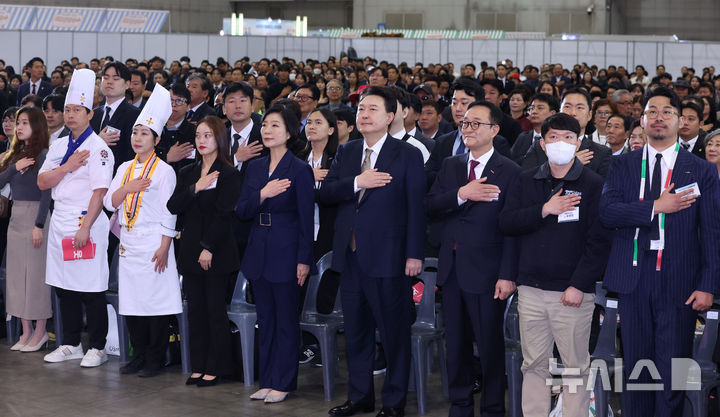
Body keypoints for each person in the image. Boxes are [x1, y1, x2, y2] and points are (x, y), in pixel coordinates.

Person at [600, 86, 720, 417]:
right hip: (633, 279)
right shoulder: (623, 165)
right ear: (642, 118)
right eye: (652, 111)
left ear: (680, 121)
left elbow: (712, 232)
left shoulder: (700, 170)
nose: (659, 118)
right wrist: (656, 206)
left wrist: (708, 284)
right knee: (638, 369)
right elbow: (608, 212)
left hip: (680, 282)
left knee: (672, 372)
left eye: (667, 112)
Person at [321, 86, 426, 417]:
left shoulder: (406, 154)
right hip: (350, 258)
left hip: (390, 257)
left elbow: (415, 208)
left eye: (372, 110)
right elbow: (325, 194)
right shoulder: (348, 151)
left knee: (394, 335)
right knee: (356, 333)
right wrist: (357, 182)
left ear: (390, 117)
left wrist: (414, 255)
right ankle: (360, 396)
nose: (363, 115)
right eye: (361, 109)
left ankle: (394, 403)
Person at [499, 113, 613, 417]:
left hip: (572, 292)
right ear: (542, 141)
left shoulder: (592, 184)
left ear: (577, 142)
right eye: (553, 137)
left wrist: (579, 285)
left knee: (575, 367)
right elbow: (507, 223)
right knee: (534, 364)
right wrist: (545, 209)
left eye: (567, 137)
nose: (559, 143)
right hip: (532, 290)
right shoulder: (526, 180)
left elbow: (599, 242)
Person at [426, 101, 519, 417]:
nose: (468, 128)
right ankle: (461, 404)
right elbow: (432, 204)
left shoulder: (510, 171)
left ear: (494, 130)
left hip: (488, 273)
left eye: (476, 123)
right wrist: (461, 194)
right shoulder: (452, 165)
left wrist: (507, 274)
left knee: (490, 346)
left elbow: (512, 229)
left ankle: (493, 407)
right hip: (452, 270)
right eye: (464, 123)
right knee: (457, 345)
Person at [236, 104, 314, 403]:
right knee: (265, 320)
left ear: (290, 133)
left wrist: (303, 259)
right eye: (265, 125)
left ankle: (283, 382)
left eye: (275, 126)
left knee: (285, 321)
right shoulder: (254, 167)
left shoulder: (300, 169)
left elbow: (307, 220)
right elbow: (242, 210)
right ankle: (267, 380)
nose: (267, 131)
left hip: (288, 250)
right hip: (259, 248)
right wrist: (263, 194)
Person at [103, 85, 181, 378]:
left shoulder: (164, 171)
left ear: (157, 139)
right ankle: (138, 355)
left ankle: (155, 358)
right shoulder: (124, 167)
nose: (137, 138)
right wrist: (127, 188)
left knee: (156, 304)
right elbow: (109, 203)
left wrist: (164, 247)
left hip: (154, 242)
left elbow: (168, 211)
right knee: (133, 303)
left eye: (144, 134)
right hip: (129, 242)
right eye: (135, 133)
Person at [38, 69, 115, 367]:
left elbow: (99, 191)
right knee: (64, 285)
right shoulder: (59, 145)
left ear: (89, 113)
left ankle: (97, 345)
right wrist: (68, 166)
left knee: (91, 286)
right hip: (60, 222)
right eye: (67, 110)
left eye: (76, 110)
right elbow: (43, 182)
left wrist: (85, 228)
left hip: (87, 221)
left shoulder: (99, 149)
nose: (70, 115)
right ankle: (70, 342)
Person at [166, 115, 242, 387]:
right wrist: (195, 188)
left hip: (217, 251)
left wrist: (208, 247)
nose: (201, 140)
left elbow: (224, 215)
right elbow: (173, 206)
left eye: (207, 135)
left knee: (214, 311)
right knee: (195, 311)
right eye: (198, 135)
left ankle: (216, 367)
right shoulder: (188, 172)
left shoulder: (229, 173)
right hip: (189, 249)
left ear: (219, 138)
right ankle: (198, 365)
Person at [2, 106, 52, 352]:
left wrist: (39, 225)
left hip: (35, 216)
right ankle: (26, 331)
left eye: (25, 122)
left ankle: (41, 332)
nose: (19, 127)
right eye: (18, 122)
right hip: (17, 216)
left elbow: (47, 194)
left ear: (37, 126)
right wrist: (14, 166)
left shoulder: (43, 155)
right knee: (16, 277)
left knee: (35, 277)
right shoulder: (16, 153)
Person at [90, 62, 141, 169]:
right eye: (106, 78)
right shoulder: (93, 114)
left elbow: (134, 153)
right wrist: (98, 141)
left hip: (121, 176)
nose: (109, 82)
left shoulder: (135, 114)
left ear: (127, 84)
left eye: (116, 78)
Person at [510, 93, 559, 164]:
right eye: (532, 108)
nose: (534, 111)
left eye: (540, 108)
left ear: (552, 113)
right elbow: (511, 161)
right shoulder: (523, 136)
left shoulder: (557, 139)